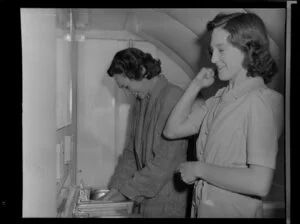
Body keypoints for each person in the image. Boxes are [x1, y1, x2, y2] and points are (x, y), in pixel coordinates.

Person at [163, 12, 284, 218]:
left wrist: (200, 169)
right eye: (212, 51)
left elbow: (259, 182)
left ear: (248, 49)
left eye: (221, 50)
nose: (213, 59)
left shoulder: (261, 100)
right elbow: (172, 130)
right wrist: (195, 86)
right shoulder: (219, 99)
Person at [100, 47, 189, 218]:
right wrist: (117, 187)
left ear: (141, 71)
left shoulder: (173, 97)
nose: (127, 92)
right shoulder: (141, 101)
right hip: (147, 197)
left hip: (167, 200)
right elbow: (131, 154)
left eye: (127, 86)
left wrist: (127, 192)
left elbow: (164, 163)